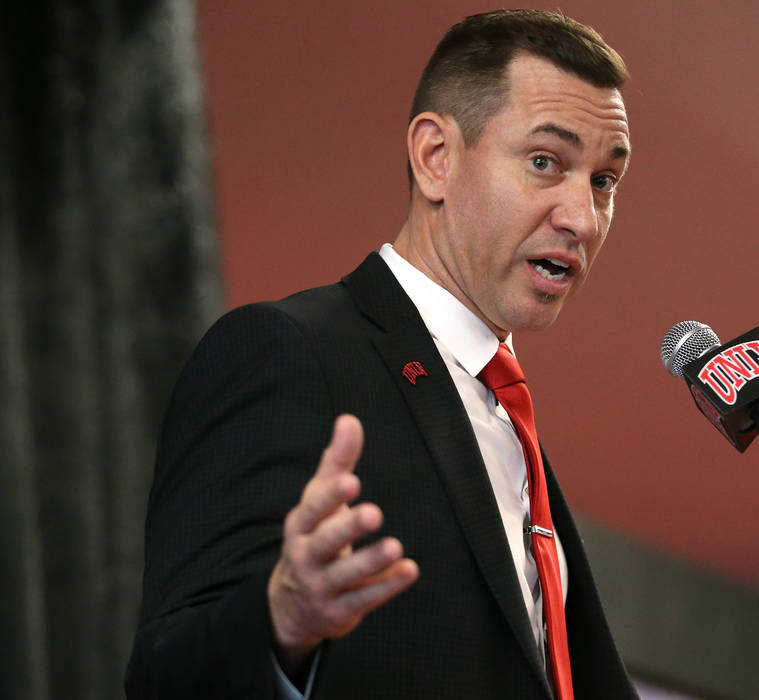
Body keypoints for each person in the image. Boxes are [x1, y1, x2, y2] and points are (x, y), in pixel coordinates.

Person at [126, 9, 637, 699]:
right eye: (545, 162)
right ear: (437, 158)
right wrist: (279, 621)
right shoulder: (289, 353)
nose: (582, 217)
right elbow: (166, 675)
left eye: (604, 180)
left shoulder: (505, 417)